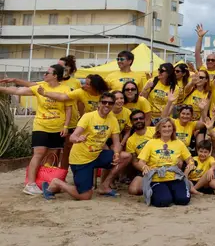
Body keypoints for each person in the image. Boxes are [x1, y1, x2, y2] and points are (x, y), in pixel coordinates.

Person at [42, 92, 131, 200]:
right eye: (104, 102)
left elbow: (116, 142)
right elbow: (72, 137)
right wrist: (77, 139)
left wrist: (116, 154)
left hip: (97, 155)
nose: (107, 105)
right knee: (85, 195)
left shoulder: (112, 120)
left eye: (110, 103)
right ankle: (57, 183)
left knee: (126, 156)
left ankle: (104, 186)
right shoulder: (88, 116)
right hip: (80, 160)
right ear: (99, 104)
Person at [0, 65, 72, 195]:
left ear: (55, 76)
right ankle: (30, 184)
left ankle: (46, 181)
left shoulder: (66, 89)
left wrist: (66, 126)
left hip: (58, 127)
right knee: (39, 153)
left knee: (52, 155)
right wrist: (2, 88)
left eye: (47, 73)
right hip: (41, 125)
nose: (44, 75)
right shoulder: (40, 86)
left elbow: (68, 109)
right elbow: (18, 91)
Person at [136, 117, 195, 207]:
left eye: (169, 126)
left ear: (173, 129)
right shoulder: (151, 143)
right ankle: (161, 193)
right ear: (159, 129)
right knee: (163, 201)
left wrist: (191, 164)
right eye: (164, 126)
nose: (167, 129)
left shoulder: (178, 143)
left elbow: (189, 159)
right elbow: (141, 161)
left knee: (183, 200)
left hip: (174, 177)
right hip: (157, 178)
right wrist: (144, 167)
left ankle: (172, 192)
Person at [40, 74, 110, 117]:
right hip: (89, 120)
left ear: (95, 86)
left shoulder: (106, 95)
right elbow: (63, 97)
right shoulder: (81, 91)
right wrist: (45, 93)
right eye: (84, 83)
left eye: (87, 84)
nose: (84, 85)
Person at [124, 109, 156, 195]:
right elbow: (134, 162)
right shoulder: (130, 140)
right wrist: (145, 168)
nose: (138, 121)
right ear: (131, 122)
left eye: (141, 118)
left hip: (161, 163)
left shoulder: (155, 130)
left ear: (145, 119)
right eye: (135, 119)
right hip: (145, 168)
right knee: (133, 190)